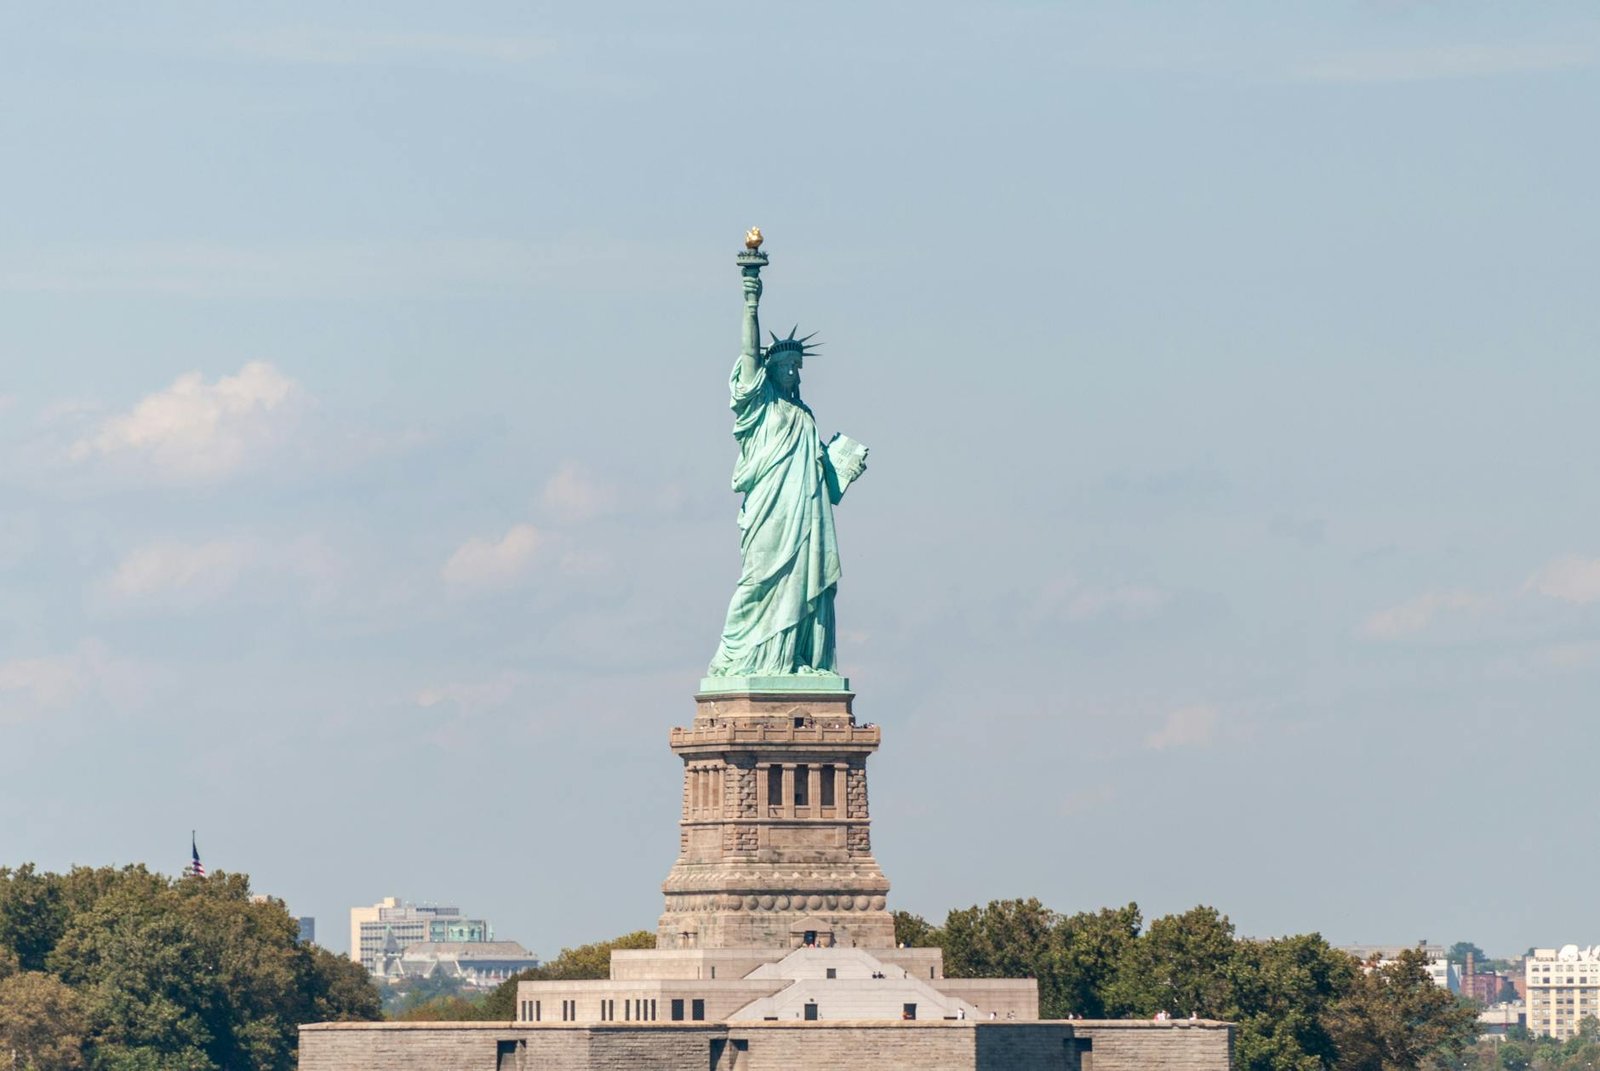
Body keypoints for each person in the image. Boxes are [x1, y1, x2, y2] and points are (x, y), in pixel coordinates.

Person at [707, 261, 860, 677]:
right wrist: (751, 300)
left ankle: (795, 660)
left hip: (807, 514)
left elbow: (818, 476)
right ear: (769, 371)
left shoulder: (804, 413)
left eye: (798, 367)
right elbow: (747, 356)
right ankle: (744, 659)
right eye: (785, 366)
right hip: (770, 511)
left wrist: (838, 468)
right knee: (759, 580)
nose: (793, 372)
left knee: (804, 581)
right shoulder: (759, 407)